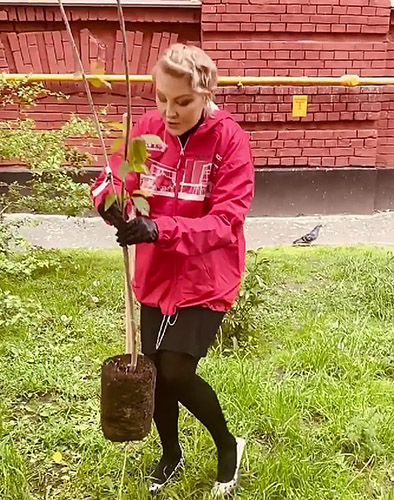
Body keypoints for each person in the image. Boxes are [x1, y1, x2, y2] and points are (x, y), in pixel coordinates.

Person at [91, 43, 254, 496]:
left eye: (182, 101)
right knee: (156, 372)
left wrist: (158, 229)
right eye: (161, 98)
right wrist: (113, 206)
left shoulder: (228, 141)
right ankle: (171, 453)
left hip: (206, 277)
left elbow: (226, 221)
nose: (169, 111)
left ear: (206, 94)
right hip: (155, 275)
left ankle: (228, 445)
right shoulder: (146, 131)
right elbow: (117, 179)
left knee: (178, 373)